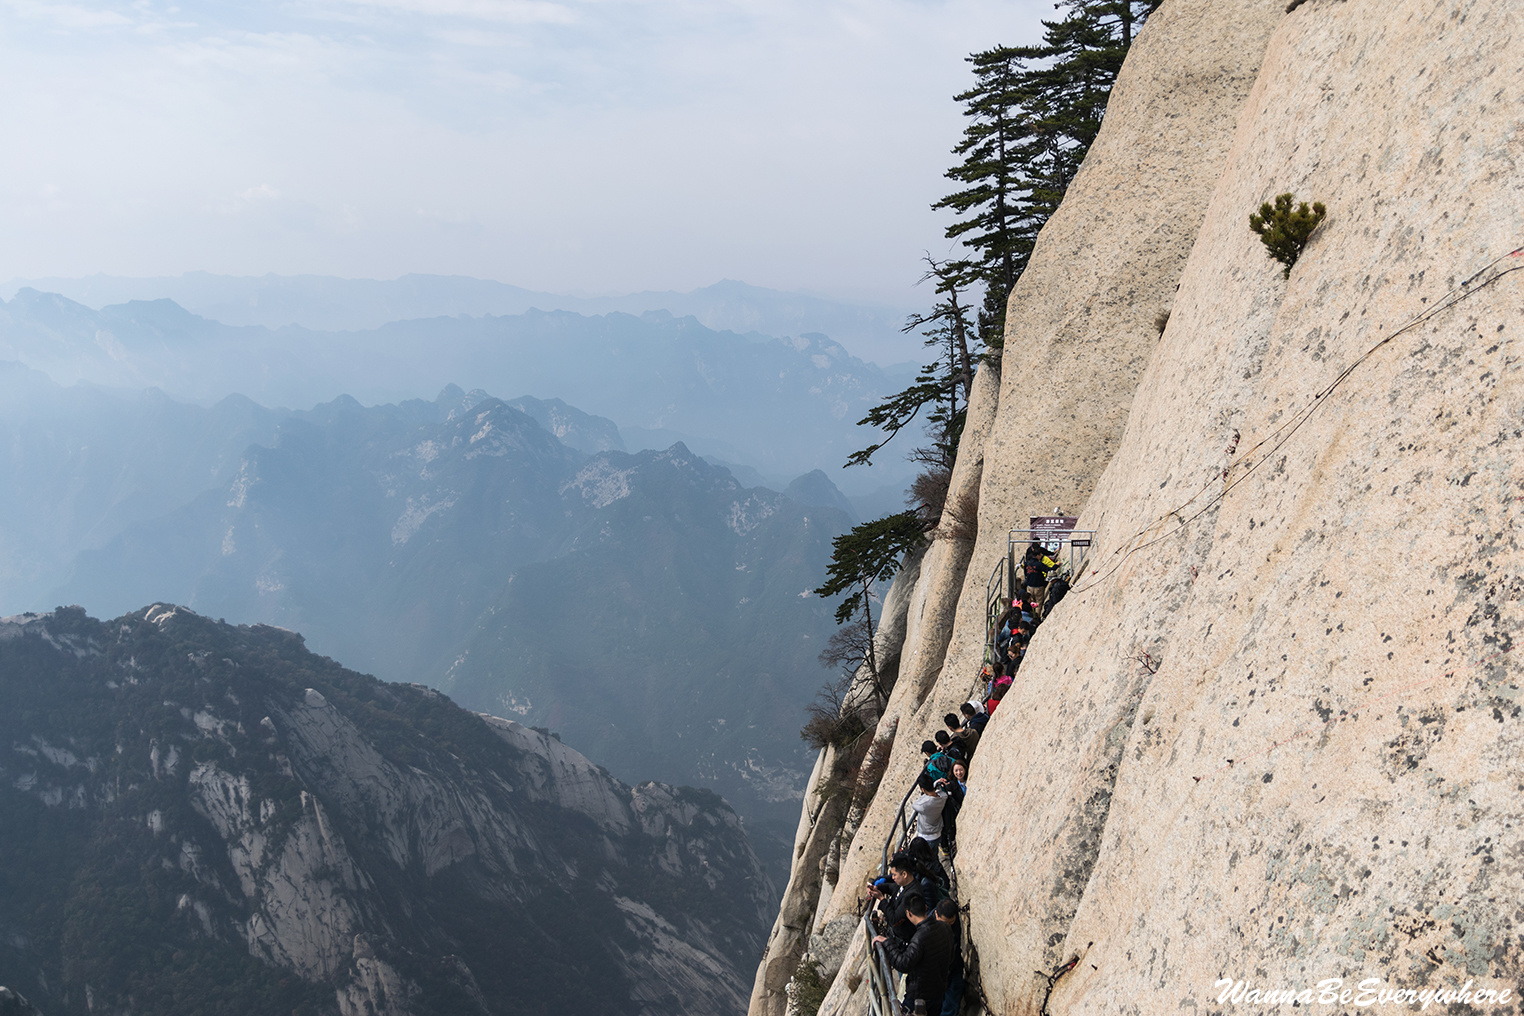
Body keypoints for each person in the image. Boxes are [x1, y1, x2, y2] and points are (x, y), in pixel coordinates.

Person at [872, 893, 954, 1016]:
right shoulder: (945, 928)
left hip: (919, 996)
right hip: (939, 991)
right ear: (925, 907)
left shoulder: (919, 937)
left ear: (908, 913)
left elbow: (903, 964)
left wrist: (887, 943)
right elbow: (950, 957)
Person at [935, 899, 965, 1016]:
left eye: (951, 923)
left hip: (954, 968)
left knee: (951, 1005)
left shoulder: (955, 923)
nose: (948, 926)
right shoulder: (928, 928)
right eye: (945, 923)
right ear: (936, 915)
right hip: (937, 972)